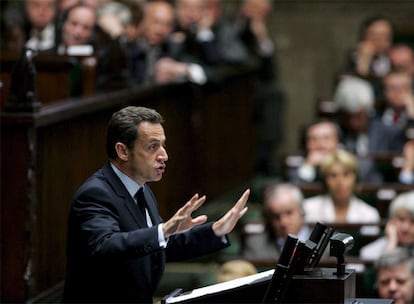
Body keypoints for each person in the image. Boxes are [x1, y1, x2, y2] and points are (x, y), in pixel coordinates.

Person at [62, 106, 250, 303]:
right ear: (123, 151)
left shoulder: (142, 190)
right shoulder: (96, 193)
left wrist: (216, 230)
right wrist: (164, 229)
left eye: (163, 145)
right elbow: (105, 246)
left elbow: (158, 245)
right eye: (152, 147)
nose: (164, 156)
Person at [234, 0, 286, 176]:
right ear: (244, 8)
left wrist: (262, 38)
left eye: (264, 13)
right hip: (232, 89)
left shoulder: (260, 34)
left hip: (256, 90)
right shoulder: (231, 27)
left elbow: (270, 72)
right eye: (256, 10)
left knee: (275, 93)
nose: (259, 16)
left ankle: (266, 158)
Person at [286, 119, 382, 184]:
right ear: (306, 144)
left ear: (338, 142)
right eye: (313, 139)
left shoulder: (362, 165)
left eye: (326, 139)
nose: (320, 145)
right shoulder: (296, 167)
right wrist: (308, 167)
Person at [333, 75, 405, 155]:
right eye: (347, 117)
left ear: (368, 111)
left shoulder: (389, 134)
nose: (353, 123)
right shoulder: (335, 133)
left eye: (359, 116)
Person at [303, 149, 380, 224]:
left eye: (346, 174)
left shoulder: (370, 215)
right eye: (333, 175)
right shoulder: (308, 209)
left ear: (355, 179)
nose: (339, 182)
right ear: (325, 180)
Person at [242, 183, 311, 260]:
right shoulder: (255, 245)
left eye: (289, 213)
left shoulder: (325, 245)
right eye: (276, 217)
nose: (283, 222)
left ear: (302, 210)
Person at [360, 191, 414, 261]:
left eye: (413, 221)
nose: (405, 227)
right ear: (391, 221)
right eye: (401, 219)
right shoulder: (369, 253)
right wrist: (391, 243)